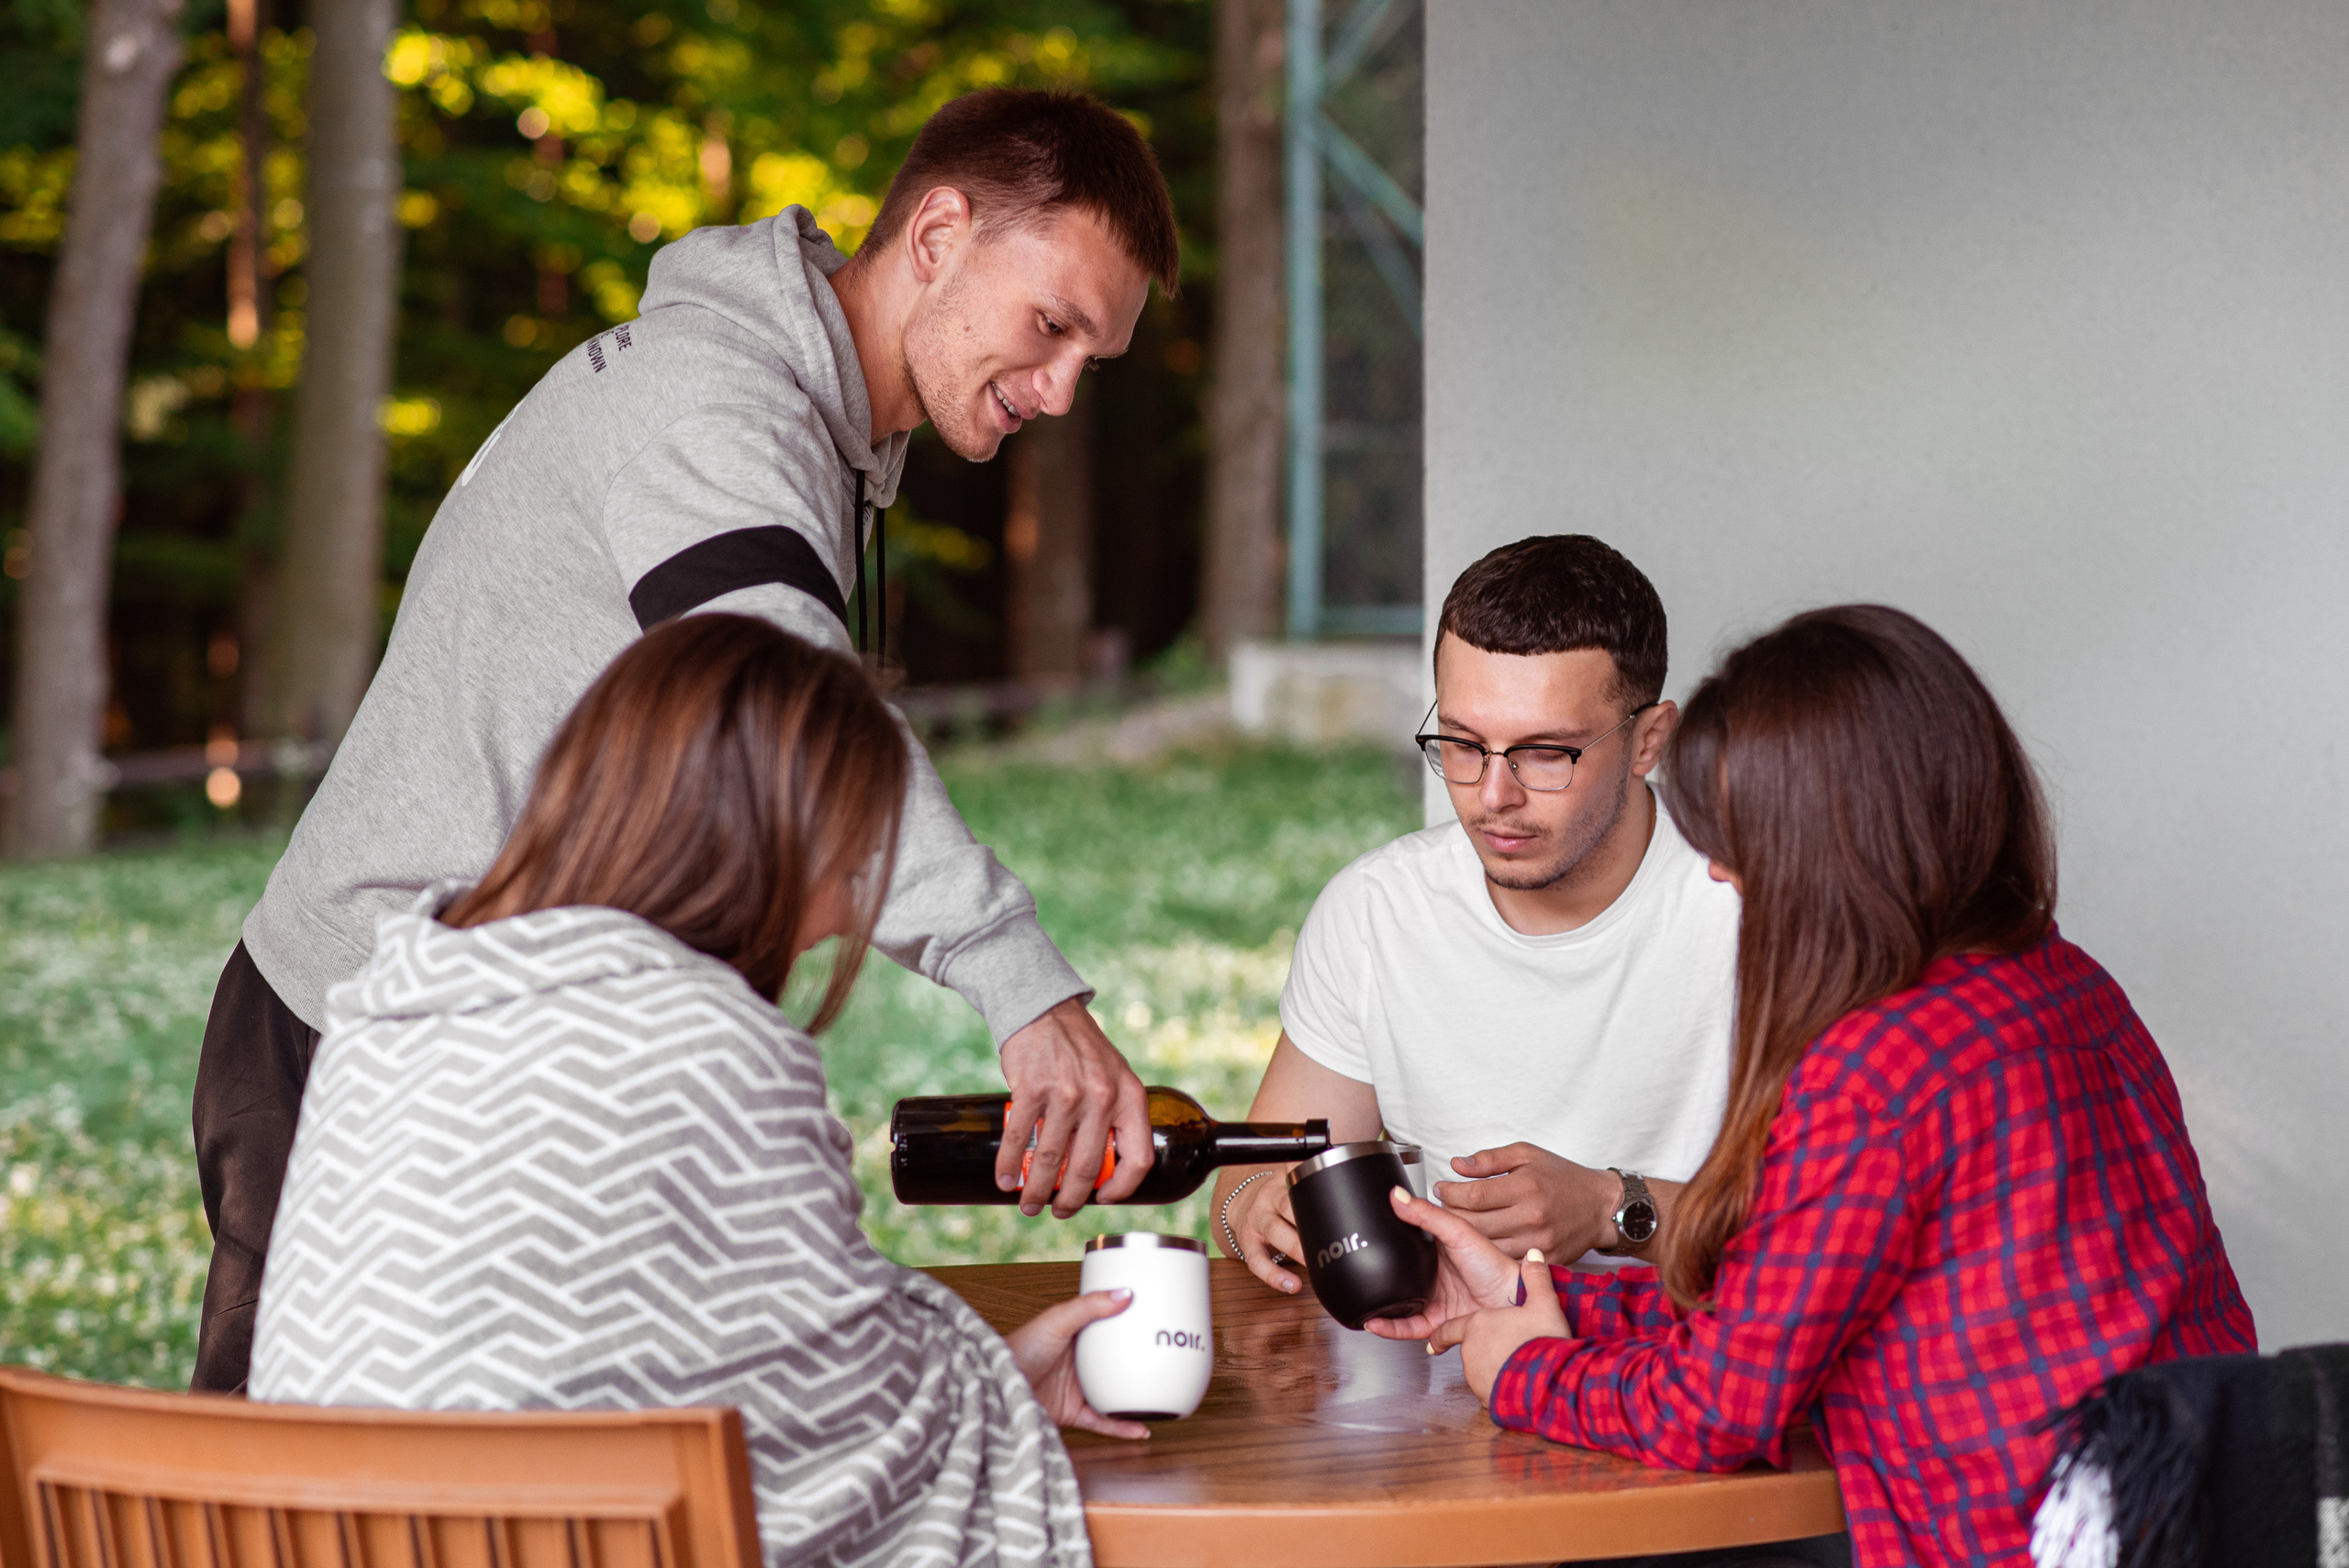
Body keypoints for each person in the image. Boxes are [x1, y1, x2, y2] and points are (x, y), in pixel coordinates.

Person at [195, 88, 1181, 1391]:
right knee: (298, 1514)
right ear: (938, 233)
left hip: (510, 1039)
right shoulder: (715, 407)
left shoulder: (798, 430)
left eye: (1090, 362)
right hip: (366, 1033)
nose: (1058, 392)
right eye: (1050, 327)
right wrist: (1022, 985)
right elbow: (786, 711)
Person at [1368, 605, 2256, 1568]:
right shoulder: (2063, 981)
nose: (1714, 867)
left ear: (1824, 846)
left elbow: (1719, 1410)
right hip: (2205, 1508)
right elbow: (1787, 1302)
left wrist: (1526, 1370)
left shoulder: (1878, 1069)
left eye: (1737, 839)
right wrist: (1538, 1295)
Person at [251, 614, 1141, 1568]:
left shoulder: (393, 1008)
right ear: (755, 842)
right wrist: (990, 1390)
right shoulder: (710, 1047)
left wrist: (995, 1373)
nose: (843, 918)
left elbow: (725, 1372)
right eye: (847, 864)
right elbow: (841, 1422)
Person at [1213, 536, 1741, 1293]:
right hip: (1443, 1366)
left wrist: (1610, 1207)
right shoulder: (1376, 911)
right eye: (1463, 744)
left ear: (1647, 741)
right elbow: (1244, 1187)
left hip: (1693, 1367)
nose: (1493, 795)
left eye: (1547, 753)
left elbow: (1841, 1231)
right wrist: (1259, 1211)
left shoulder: (1750, 907)